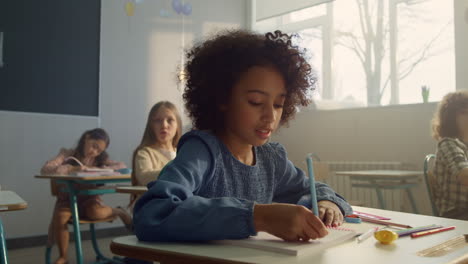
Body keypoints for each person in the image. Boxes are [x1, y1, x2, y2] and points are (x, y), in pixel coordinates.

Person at [133, 29, 352, 243]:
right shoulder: (202, 151)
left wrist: (326, 202)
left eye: (278, 104)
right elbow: (154, 213)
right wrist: (260, 217)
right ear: (222, 98)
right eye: (256, 102)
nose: (270, 116)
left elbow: (312, 189)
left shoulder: (271, 158)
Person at [41, 128, 132, 264]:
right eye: (94, 146)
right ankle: (63, 256)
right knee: (60, 217)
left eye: (99, 150)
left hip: (89, 199)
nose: (94, 152)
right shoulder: (67, 154)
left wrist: (103, 169)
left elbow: (121, 166)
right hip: (67, 200)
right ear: (86, 138)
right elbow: (46, 169)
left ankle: (119, 211)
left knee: (95, 212)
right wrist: (72, 168)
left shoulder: (99, 158)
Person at [129, 101, 182, 207]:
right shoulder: (145, 152)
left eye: (170, 120)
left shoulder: (182, 152)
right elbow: (144, 177)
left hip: (178, 206)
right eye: (158, 120)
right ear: (151, 126)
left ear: (178, 125)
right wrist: (178, 173)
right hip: (151, 208)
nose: (164, 125)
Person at [431, 90, 468, 220]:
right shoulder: (448, 143)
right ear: (451, 118)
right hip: (456, 213)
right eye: (464, 113)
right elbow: (465, 176)